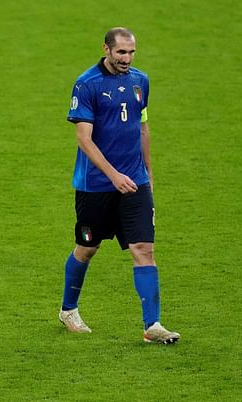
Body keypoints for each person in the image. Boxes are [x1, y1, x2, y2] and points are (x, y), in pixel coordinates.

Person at [58, 27, 180, 344]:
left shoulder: (140, 81)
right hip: (96, 186)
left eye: (131, 52)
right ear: (107, 49)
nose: (127, 58)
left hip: (134, 184)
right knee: (87, 248)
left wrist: (148, 175)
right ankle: (68, 310)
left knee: (144, 249)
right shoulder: (87, 84)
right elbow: (84, 139)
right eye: (121, 52)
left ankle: (152, 326)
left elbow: (143, 129)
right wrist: (113, 175)